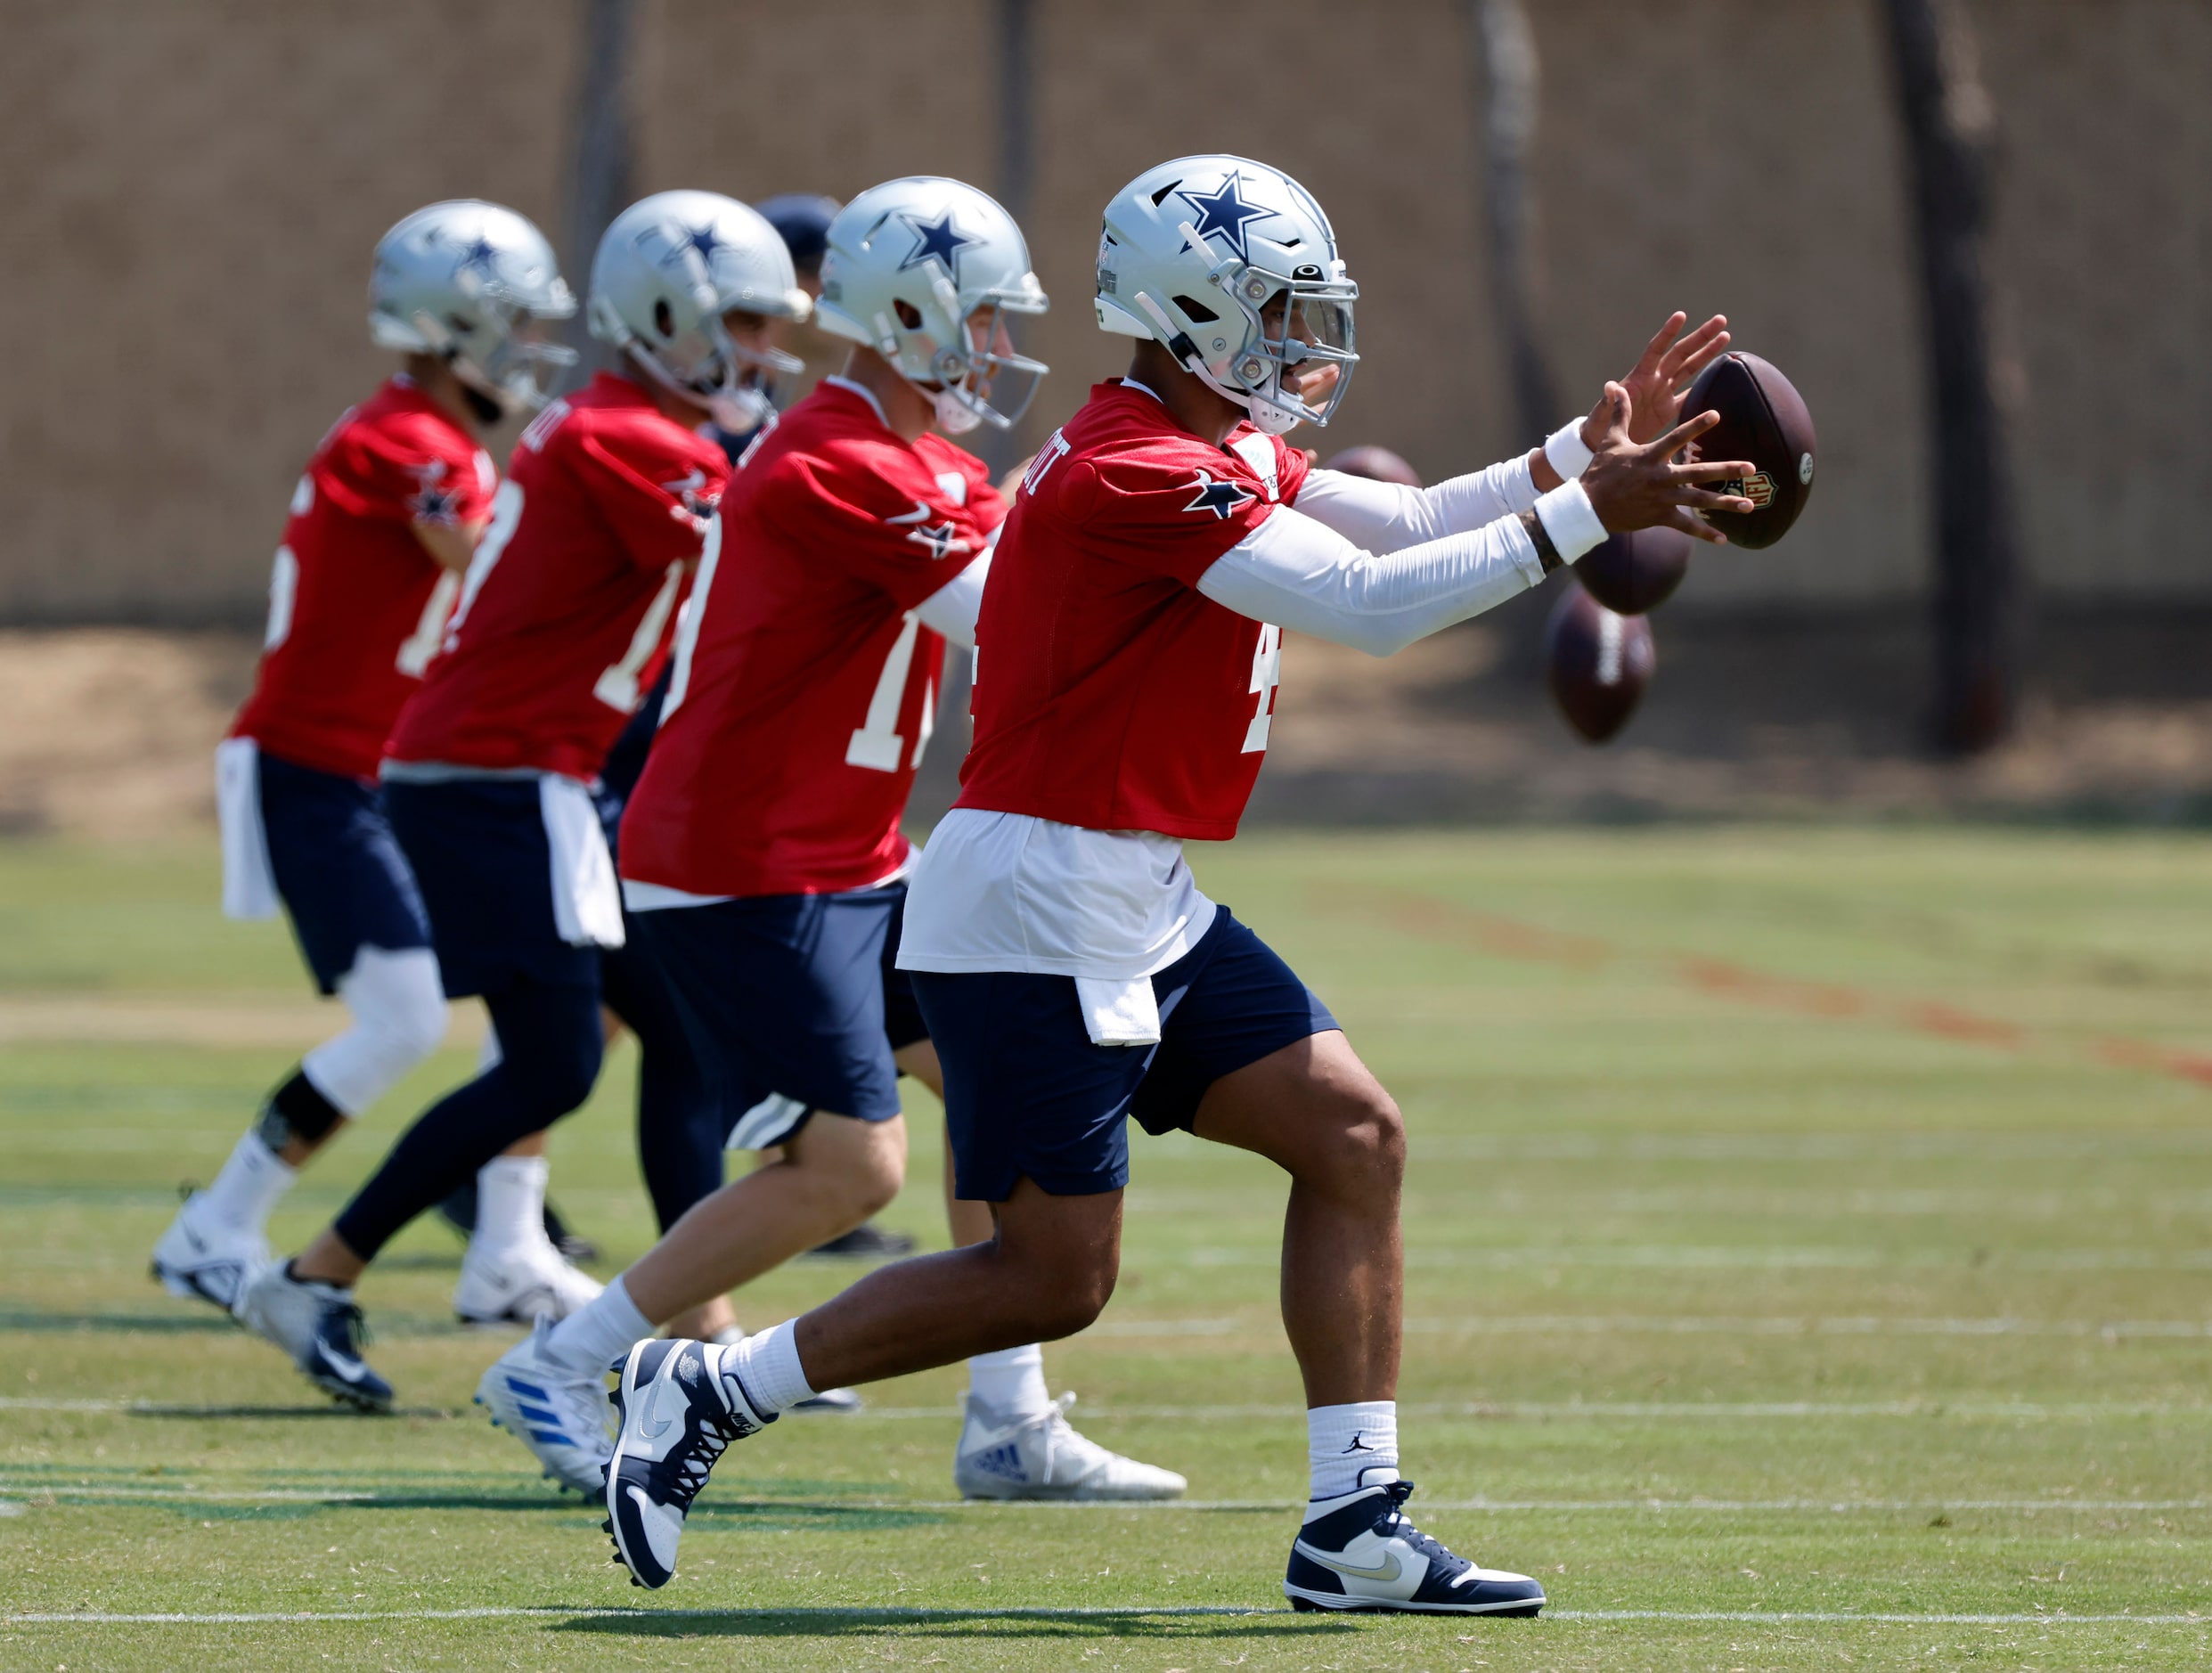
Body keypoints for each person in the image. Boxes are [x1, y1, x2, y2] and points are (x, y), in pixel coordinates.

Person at [591, 153, 1755, 1609]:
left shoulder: (1194, 435)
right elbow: (1373, 608)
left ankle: (1355, 1522)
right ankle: (710, 1387)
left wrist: (1570, 461)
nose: (1299, 340)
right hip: (1033, 897)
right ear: (1186, 307)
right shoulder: (1130, 466)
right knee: (1050, 1277)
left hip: (1129, 881)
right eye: (1272, 310)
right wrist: (1585, 516)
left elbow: (1393, 523)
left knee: (1351, 1133)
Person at [475, 175, 1184, 1503]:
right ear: (906, 311)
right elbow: (1015, 623)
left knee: (994, 1087)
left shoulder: (922, 459)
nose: (993, 351)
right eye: (978, 322)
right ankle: (559, 1363)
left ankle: (1007, 1420)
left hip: (847, 852)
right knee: (849, 1165)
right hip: (741, 859)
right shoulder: (831, 458)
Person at [232, 191, 812, 1412]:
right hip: (494, 777)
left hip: (531, 772)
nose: (765, 354)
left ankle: (688, 1313)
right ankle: (319, 1272)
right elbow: (757, 568)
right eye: (749, 326)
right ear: (673, 317)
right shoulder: (628, 438)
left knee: (674, 1033)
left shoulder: (636, 428)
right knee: (555, 1063)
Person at [154, 200, 583, 1320]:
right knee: (403, 1017)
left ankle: (505, 1244)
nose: (531, 352)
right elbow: (498, 581)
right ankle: (217, 1227)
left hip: (387, 775)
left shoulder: (419, 435)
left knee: (527, 993)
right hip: (326, 772)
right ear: (452, 327)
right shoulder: (410, 443)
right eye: (516, 327)